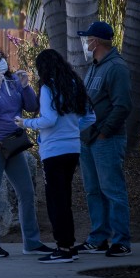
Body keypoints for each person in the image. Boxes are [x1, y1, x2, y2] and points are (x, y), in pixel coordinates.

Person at [0, 46, 53, 257]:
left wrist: (25, 87)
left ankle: (32, 243)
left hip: (13, 143)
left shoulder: (13, 82)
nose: (1, 62)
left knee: (26, 192)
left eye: (2, 58)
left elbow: (32, 106)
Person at [15, 49, 96, 263]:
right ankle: (68, 243)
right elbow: (90, 116)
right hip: (72, 150)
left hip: (53, 151)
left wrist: (26, 123)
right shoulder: (73, 83)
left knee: (55, 200)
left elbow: (48, 120)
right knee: (64, 198)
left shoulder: (48, 87)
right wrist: (71, 129)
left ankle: (64, 248)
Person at [73, 21, 133, 257]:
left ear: (96, 42)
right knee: (93, 190)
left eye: (87, 39)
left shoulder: (116, 68)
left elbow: (123, 105)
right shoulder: (95, 67)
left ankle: (121, 241)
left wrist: (105, 131)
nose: (85, 43)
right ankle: (98, 238)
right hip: (88, 140)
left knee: (113, 190)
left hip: (107, 140)